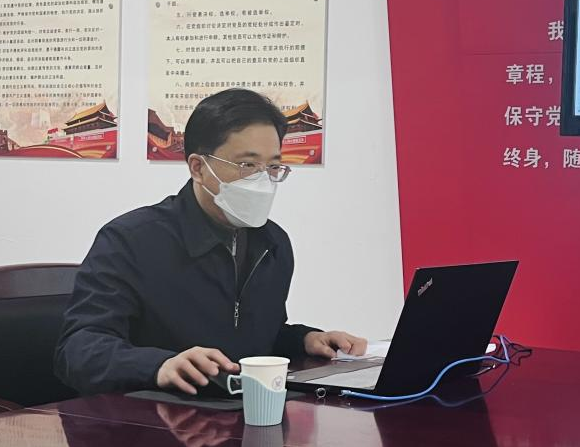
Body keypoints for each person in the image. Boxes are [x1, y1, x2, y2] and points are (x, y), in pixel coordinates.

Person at [55, 88, 365, 396]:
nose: (262, 179)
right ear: (198, 168)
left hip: (239, 412)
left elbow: (253, 339)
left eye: (272, 167)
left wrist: (304, 340)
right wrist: (159, 366)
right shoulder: (130, 240)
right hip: (151, 415)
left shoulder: (272, 243)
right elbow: (78, 350)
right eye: (247, 165)